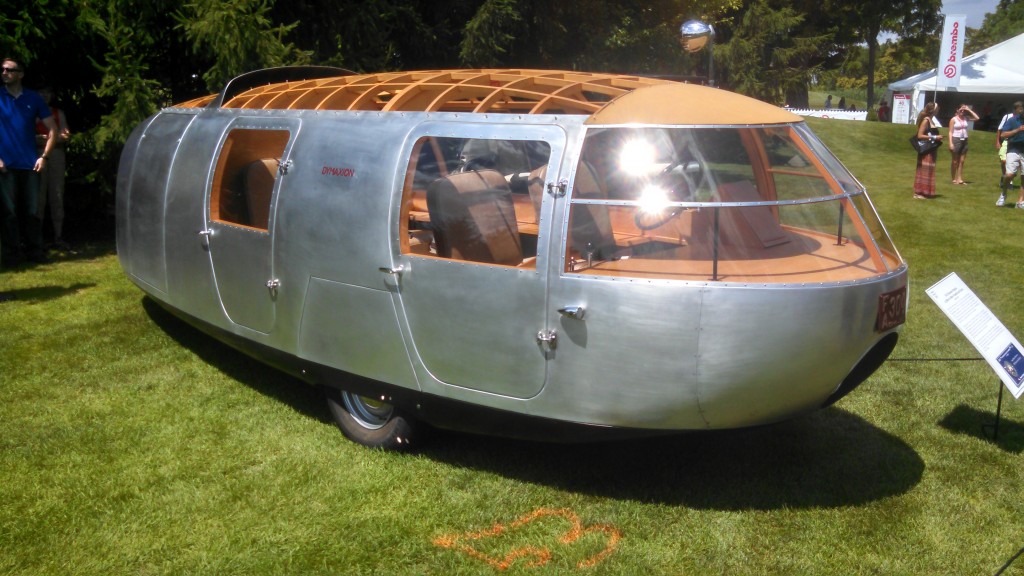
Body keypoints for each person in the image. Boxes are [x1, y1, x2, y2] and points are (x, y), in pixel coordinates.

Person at [0, 56, 57, 267]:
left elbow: (53, 130)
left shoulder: (33, 98)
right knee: (9, 213)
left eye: (9, 70)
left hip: (30, 164)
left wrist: (44, 157)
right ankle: (11, 255)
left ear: (20, 74)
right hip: (5, 165)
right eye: (2, 69)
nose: (4, 73)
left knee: (32, 212)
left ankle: (35, 252)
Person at [34, 85, 69, 248]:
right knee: (38, 196)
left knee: (57, 194)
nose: (45, 95)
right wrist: (38, 138)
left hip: (56, 154)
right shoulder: (31, 112)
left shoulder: (57, 113)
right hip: (37, 154)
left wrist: (52, 138)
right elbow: (24, 135)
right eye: (41, 92)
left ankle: (58, 236)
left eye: (47, 92)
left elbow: (65, 134)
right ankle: (36, 238)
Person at [913, 102, 942, 200]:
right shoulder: (926, 120)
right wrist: (935, 137)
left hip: (932, 148)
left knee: (929, 169)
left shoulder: (931, 120)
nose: (938, 109)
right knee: (924, 169)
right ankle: (919, 192)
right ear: (933, 110)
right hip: (926, 149)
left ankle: (926, 191)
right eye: (937, 108)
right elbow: (920, 135)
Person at [998, 101, 1024, 209]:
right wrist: (1018, 130)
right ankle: (1003, 194)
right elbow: (1003, 134)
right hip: (1013, 149)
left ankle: (1020, 202)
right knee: (1009, 175)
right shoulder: (1012, 120)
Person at [948, 104, 979, 185]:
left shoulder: (966, 118)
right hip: (956, 139)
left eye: (964, 110)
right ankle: (953, 178)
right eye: (961, 110)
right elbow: (950, 132)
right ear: (957, 110)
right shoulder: (953, 119)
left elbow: (977, 118)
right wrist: (950, 143)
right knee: (955, 161)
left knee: (962, 161)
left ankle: (959, 178)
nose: (962, 111)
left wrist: (969, 110)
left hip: (964, 140)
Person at [996, 107, 1017, 206]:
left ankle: (1009, 182)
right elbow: (1000, 129)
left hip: (1016, 144)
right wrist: (997, 141)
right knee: (1003, 161)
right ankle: (1004, 177)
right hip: (1006, 141)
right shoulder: (1008, 117)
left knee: (1012, 164)